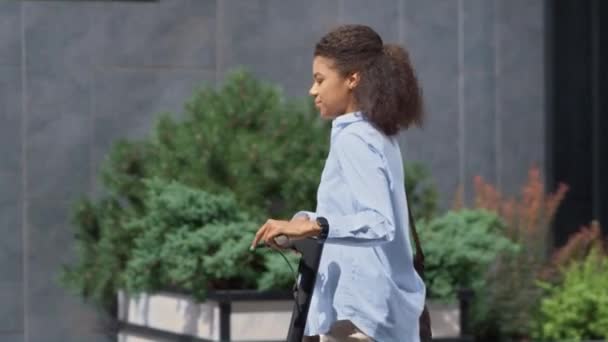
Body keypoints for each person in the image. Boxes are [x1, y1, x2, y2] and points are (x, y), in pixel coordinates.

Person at [250, 24, 426, 342]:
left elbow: (379, 223)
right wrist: (299, 225)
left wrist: (312, 227)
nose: (312, 91)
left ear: (352, 78)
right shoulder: (376, 133)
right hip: (373, 315)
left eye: (320, 80)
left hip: (361, 318)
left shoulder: (356, 138)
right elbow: (350, 212)